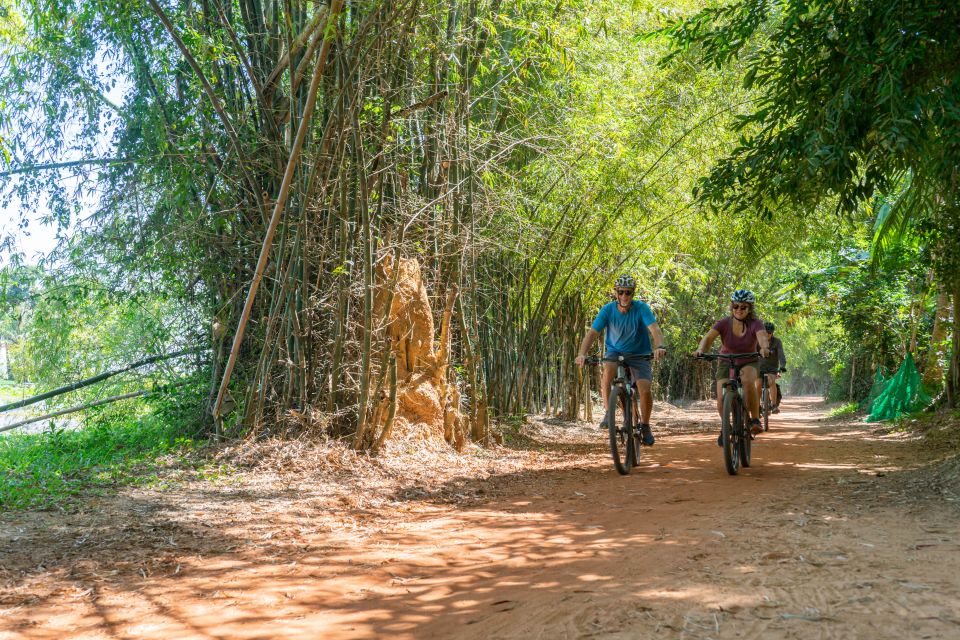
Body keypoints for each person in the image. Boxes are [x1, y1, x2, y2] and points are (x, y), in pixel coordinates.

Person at [575, 275, 667, 446]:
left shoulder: (641, 308)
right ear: (615, 293)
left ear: (633, 293)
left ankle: (645, 426)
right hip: (615, 351)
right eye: (621, 292)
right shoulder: (608, 310)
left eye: (628, 293)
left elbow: (654, 328)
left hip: (640, 353)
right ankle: (609, 412)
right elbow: (592, 333)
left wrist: (660, 346)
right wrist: (582, 353)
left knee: (644, 389)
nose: (624, 296)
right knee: (608, 370)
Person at [694, 289, 771, 445]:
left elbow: (762, 338)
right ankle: (726, 427)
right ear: (731, 307)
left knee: (748, 381)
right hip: (725, 361)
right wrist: (701, 350)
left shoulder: (756, 324)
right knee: (722, 396)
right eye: (736, 306)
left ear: (750, 309)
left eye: (743, 307)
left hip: (748, 360)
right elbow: (708, 338)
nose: (739, 310)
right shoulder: (723, 323)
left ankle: (754, 420)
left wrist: (764, 348)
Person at [757, 321, 787, 414]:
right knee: (758, 384)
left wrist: (782, 366)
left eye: (769, 333)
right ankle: (757, 406)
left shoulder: (777, 342)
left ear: (772, 332)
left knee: (771, 381)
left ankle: (774, 405)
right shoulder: (757, 341)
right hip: (759, 367)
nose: (767, 334)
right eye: (765, 332)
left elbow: (781, 355)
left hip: (772, 368)